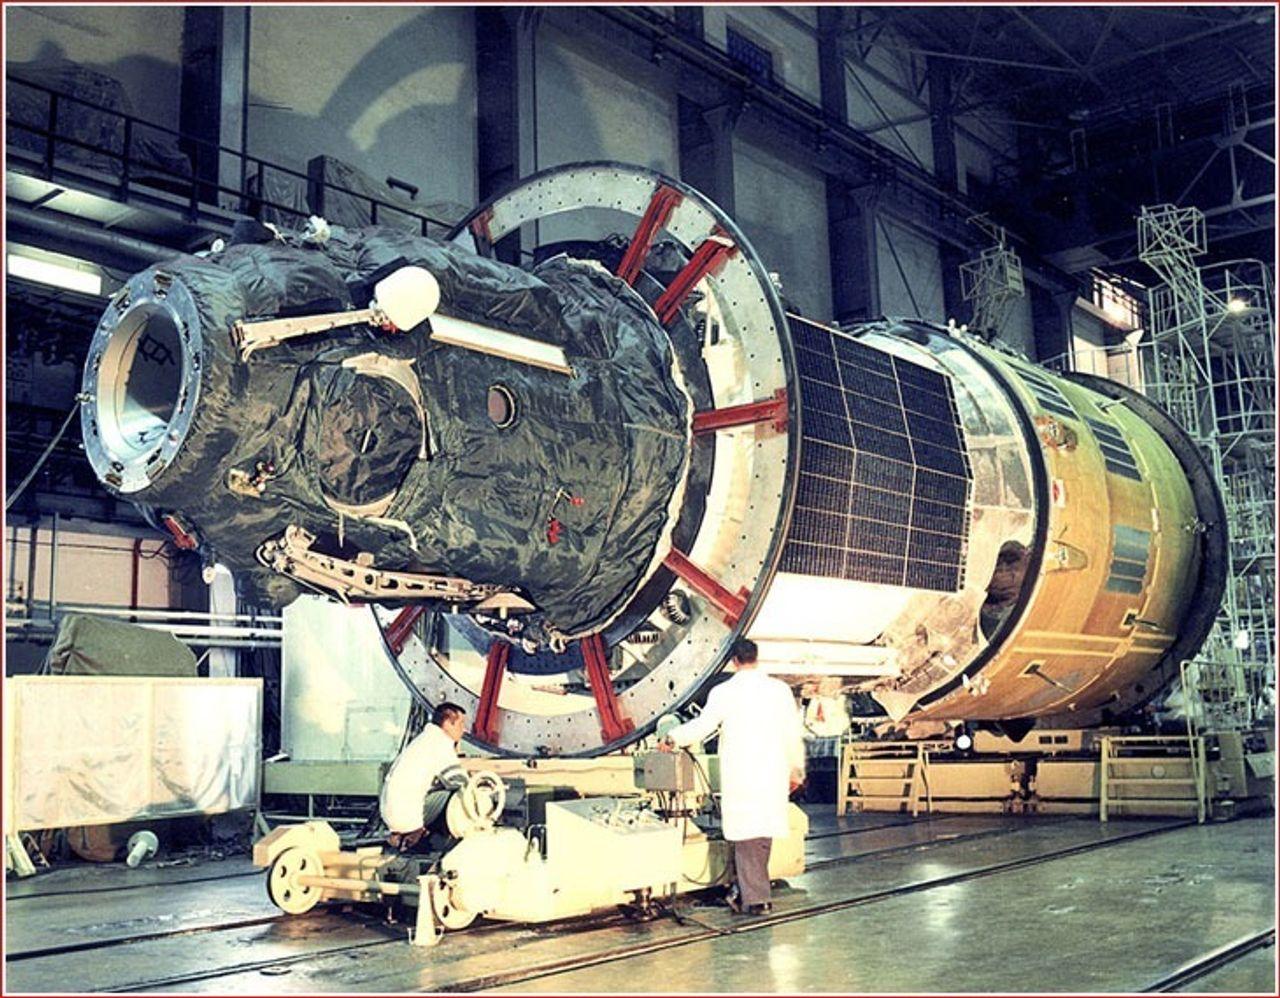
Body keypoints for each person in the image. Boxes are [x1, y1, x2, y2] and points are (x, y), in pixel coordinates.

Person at [662, 637, 804, 915]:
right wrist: (796, 769)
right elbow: (792, 733)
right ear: (756, 658)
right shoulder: (780, 690)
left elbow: (703, 725)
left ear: (734, 661)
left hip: (743, 773)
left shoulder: (725, 691)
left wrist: (672, 738)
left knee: (748, 837)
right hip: (773, 771)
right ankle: (747, 891)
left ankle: (756, 900)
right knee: (761, 836)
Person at [379, 701, 469, 850]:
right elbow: (460, 780)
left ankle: (409, 836)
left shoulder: (423, 740)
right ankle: (434, 842)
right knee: (457, 794)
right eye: (461, 724)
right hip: (407, 817)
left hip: (391, 817)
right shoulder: (440, 743)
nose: (464, 730)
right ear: (448, 724)